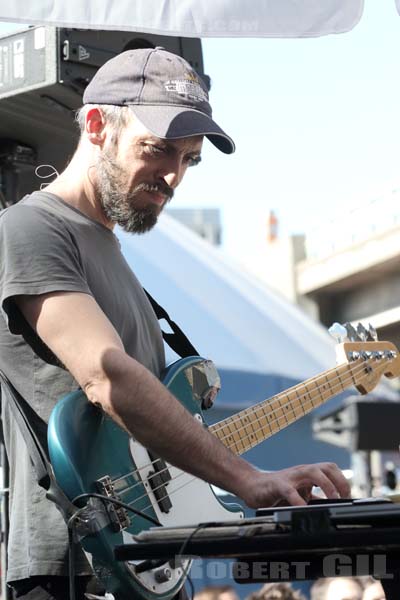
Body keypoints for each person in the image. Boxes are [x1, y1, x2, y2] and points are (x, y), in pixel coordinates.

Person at [0, 46, 350, 600]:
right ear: (97, 126)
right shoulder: (31, 229)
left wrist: (255, 481)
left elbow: (153, 441)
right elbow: (107, 376)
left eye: (189, 159)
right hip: (77, 566)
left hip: (153, 557)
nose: (173, 175)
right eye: (158, 149)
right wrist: (247, 478)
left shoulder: (110, 251)